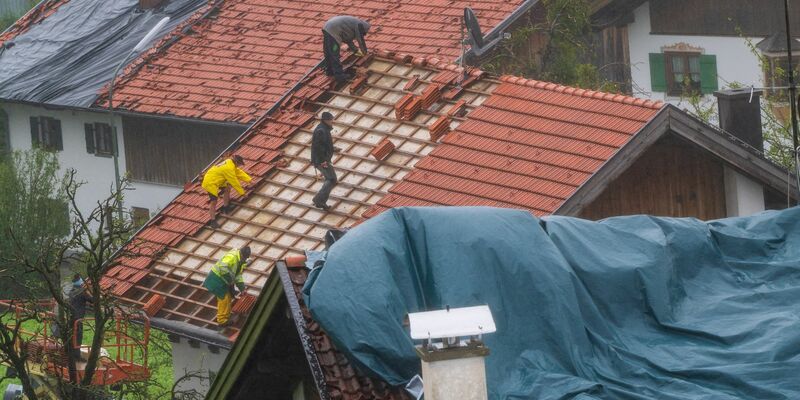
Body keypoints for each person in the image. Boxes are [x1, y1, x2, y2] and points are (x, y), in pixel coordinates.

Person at [202, 246, 250, 328]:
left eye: (246, 258)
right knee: (224, 298)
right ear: (241, 254)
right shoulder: (232, 257)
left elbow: (237, 275)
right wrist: (230, 279)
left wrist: (242, 289)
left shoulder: (240, 262)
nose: (244, 259)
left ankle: (225, 318)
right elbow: (222, 267)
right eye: (244, 258)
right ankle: (222, 321)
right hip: (216, 279)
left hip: (223, 280)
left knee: (228, 297)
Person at [201, 155, 251, 228]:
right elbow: (234, 182)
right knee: (214, 201)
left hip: (218, 179)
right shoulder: (228, 168)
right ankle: (213, 221)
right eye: (239, 164)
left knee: (228, 188)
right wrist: (242, 193)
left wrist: (249, 180)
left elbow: (238, 172)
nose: (239, 166)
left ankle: (226, 207)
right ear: (236, 162)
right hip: (210, 182)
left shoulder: (230, 162)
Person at [322, 15, 370, 83]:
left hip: (328, 28)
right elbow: (361, 40)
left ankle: (329, 71)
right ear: (363, 29)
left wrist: (356, 50)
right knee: (334, 53)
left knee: (328, 52)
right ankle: (339, 75)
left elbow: (348, 40)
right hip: (333, 30)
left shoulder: (351, 26)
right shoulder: (359, 26)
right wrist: (364, 52)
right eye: (363, 33)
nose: (363, 35)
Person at [311, 112, 339, 211]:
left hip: (321, 159)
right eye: (331, 119)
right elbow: (317, 147)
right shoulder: (321, 130)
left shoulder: (323, 129)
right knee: (331, 179)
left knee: (331, 179)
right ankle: (319, 200)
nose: (332, 121)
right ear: (326, 120)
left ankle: (319, 200)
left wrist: (332, 148)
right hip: (321, 160)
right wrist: (323, 161)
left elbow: (323, 144)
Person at [68, 274, 92, 359]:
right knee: (78, 338)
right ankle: (77, 357)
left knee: (71, 337)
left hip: (70, 317)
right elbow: (93, 300)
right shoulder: (82, 293)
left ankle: (70, 355)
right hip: (78, 319)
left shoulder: (71, 291)